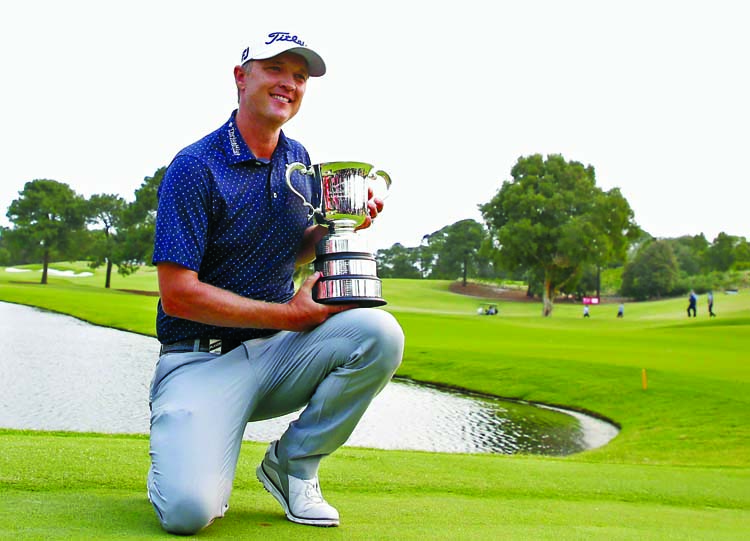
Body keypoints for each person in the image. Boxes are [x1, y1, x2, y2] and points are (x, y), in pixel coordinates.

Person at [146, 31, 405, 535]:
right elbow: (177, 294)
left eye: (300, 77)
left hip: (275, 354)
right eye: (275, 69)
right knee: (188, 514)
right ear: (241, 77)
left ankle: (293, 464)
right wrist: (288, 315)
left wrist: (340, 223)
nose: (289, 83)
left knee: (380, 333)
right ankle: (179, 455)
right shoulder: (195, 166)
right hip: (199, 360)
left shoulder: (299, 158)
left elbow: (294, 244)